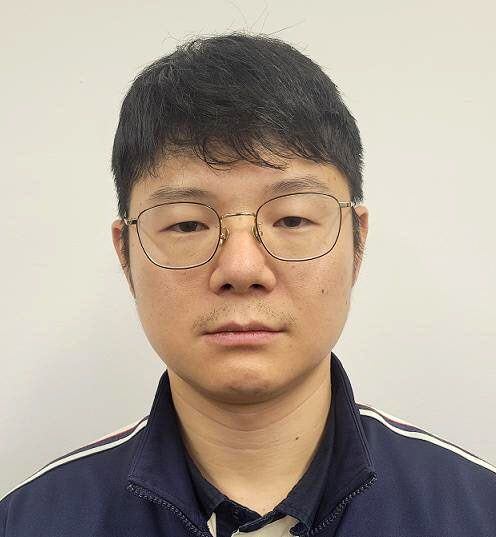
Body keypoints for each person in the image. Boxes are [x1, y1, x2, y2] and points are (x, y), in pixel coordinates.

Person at [1, 32, 495, 537]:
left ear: (357, 243)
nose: (241, 269)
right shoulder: (31, 521)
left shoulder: (476, 512)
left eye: (293, 219)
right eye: (187, 224)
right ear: (126, 254)